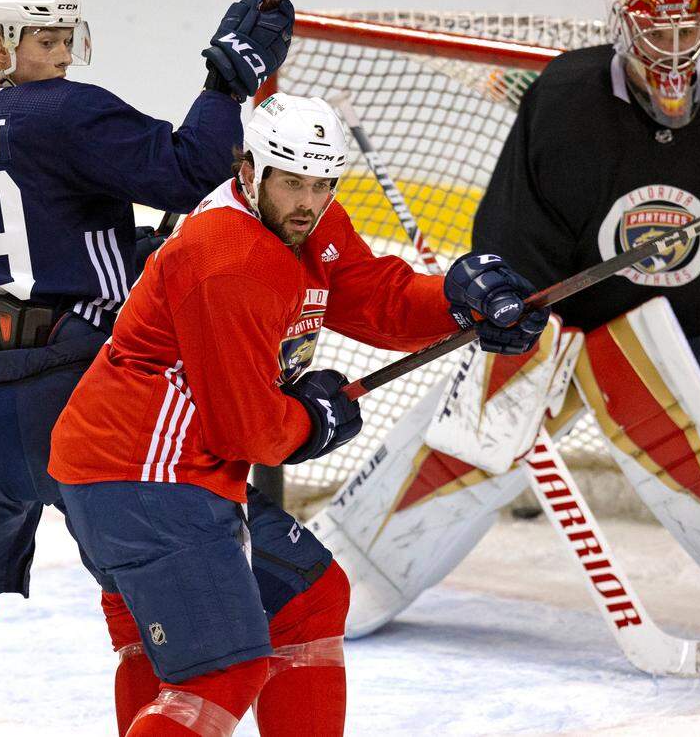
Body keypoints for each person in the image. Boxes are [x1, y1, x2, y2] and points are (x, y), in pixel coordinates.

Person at [312, 0, 700, 644]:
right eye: (660, 34)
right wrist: (510, 306)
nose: (676, 53)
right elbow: (516, 228)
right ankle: (350, 563)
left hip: (689, 336)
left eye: (688, 34)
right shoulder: (565, 99)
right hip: (564, 321)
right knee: (486, 418)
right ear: (623, 31)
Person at [46, 92, 548, 735]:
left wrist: (459, 303)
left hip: (150, 468)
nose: (309, 201)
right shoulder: (228, 259)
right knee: (216, 674)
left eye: (323, 184)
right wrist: (315, 420)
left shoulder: (302, 222)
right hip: (143, 478)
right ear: (250, 171)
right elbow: (248, 429)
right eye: (293, 183)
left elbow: (373, 297)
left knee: (307, 602)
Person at [0, 0, 295, 736]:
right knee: (144, 597)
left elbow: (11, 250)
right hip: (76, 395)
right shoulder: (63, 112)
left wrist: (108, 249)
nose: (63, 54)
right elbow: (187, 167)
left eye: (69, 37)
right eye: (45, 38)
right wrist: (226, 83)